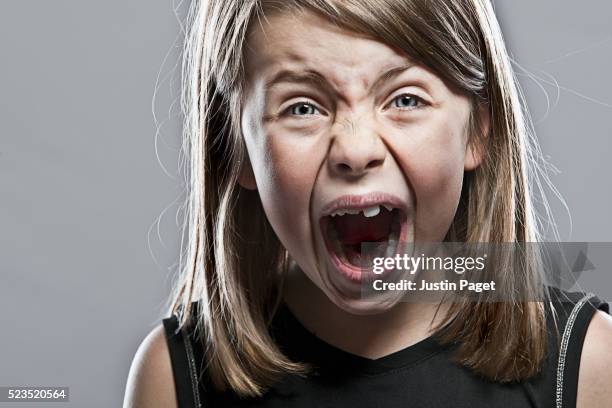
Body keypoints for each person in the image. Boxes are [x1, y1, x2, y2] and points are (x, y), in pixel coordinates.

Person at [123, 1, 612, 407]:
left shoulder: (588, 360)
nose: (356, 151)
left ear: (477, 131)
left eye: (404, 99)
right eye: (302, 108)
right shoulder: (173, 376)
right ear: (238, 150)